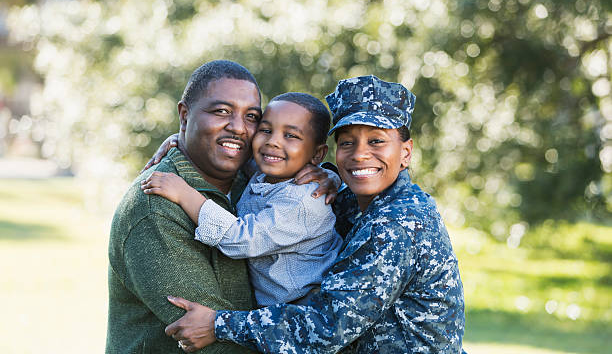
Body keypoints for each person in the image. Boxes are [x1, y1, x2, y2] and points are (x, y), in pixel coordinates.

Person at [162, 75, 466, 353]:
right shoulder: (354, 198)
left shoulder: (397, 222)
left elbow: (327, 327)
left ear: (406, 153)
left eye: (376, 141)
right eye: (347, 143)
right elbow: (270, 175)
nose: (360, 154)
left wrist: (219, 324)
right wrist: (187, 140)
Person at [106, 60, 339, 353]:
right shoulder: (156, 207)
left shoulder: (251, 178)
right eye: (221, 111)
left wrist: (330, 175)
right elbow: (212, 343)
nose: (239, 128)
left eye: (252, 117)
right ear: (184, 115)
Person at [140, 92, 343, 306]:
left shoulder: (304, 201)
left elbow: (241, 238)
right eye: (265, 130)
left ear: (318, 155)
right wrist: (182, 138)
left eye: (291, 135)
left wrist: (185, 194)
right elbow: (231, 150)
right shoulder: (267, 172)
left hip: (303, 311)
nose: (273, 142)